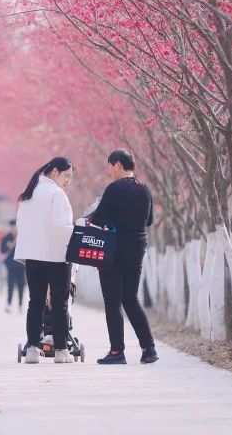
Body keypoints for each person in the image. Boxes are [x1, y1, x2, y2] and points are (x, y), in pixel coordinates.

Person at [88, 149, 158, 365]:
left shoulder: (114, 189)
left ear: (117, 164)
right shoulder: (144, 189)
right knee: (131, 299)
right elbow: (150, 221)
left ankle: (117, 351)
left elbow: (98, 220)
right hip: (137, 248)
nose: (109, 171)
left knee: (112, 302)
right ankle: (149, 349)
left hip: (114, 251)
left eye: (109, 166)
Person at [14, 157, 75, 364]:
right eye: (66, 175)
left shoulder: (28, 193)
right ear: (55, 171)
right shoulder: (56, 194)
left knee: (35, 303)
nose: (68, 181)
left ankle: (32, 349)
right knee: (59, 304)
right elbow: (62, 227)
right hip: (56, 256)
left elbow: (21, 226)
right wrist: (79, 229)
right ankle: (60, 350)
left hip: (33, 257)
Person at [0, 220, 26, 313]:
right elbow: (2, 251)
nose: (14, 229)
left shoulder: (22, 237)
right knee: (10, 284)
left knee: (21, 285)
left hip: (21, 264)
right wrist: (8, 246)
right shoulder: (6, 238)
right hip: (10, 265)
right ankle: (9, 303)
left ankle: (20, 305)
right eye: (12, 227)